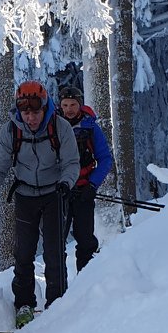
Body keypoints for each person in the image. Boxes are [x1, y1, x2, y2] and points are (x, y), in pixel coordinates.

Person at [0, 80, 78, 326]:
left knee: (54, 253)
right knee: (23, 254)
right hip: (25, 195)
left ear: (44, 107)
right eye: (26, 112)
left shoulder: (60, 127)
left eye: (35, 112)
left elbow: (71, 162)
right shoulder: (11, 131)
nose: (31, 118)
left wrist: (66, 183)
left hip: (55, 194)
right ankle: (24, 305)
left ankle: (57, 303)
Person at [55, 82, 112, 270]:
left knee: (86, 241)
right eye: (65, 105)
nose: (69, 110)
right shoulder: (52, 127)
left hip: (83, 191)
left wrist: (92, 185)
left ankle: (86, 288)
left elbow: (104, 159)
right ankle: (58, 291)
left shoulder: (90, 128)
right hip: (57, 192)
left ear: (80, 105)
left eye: (73, 105)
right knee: (55, 242)